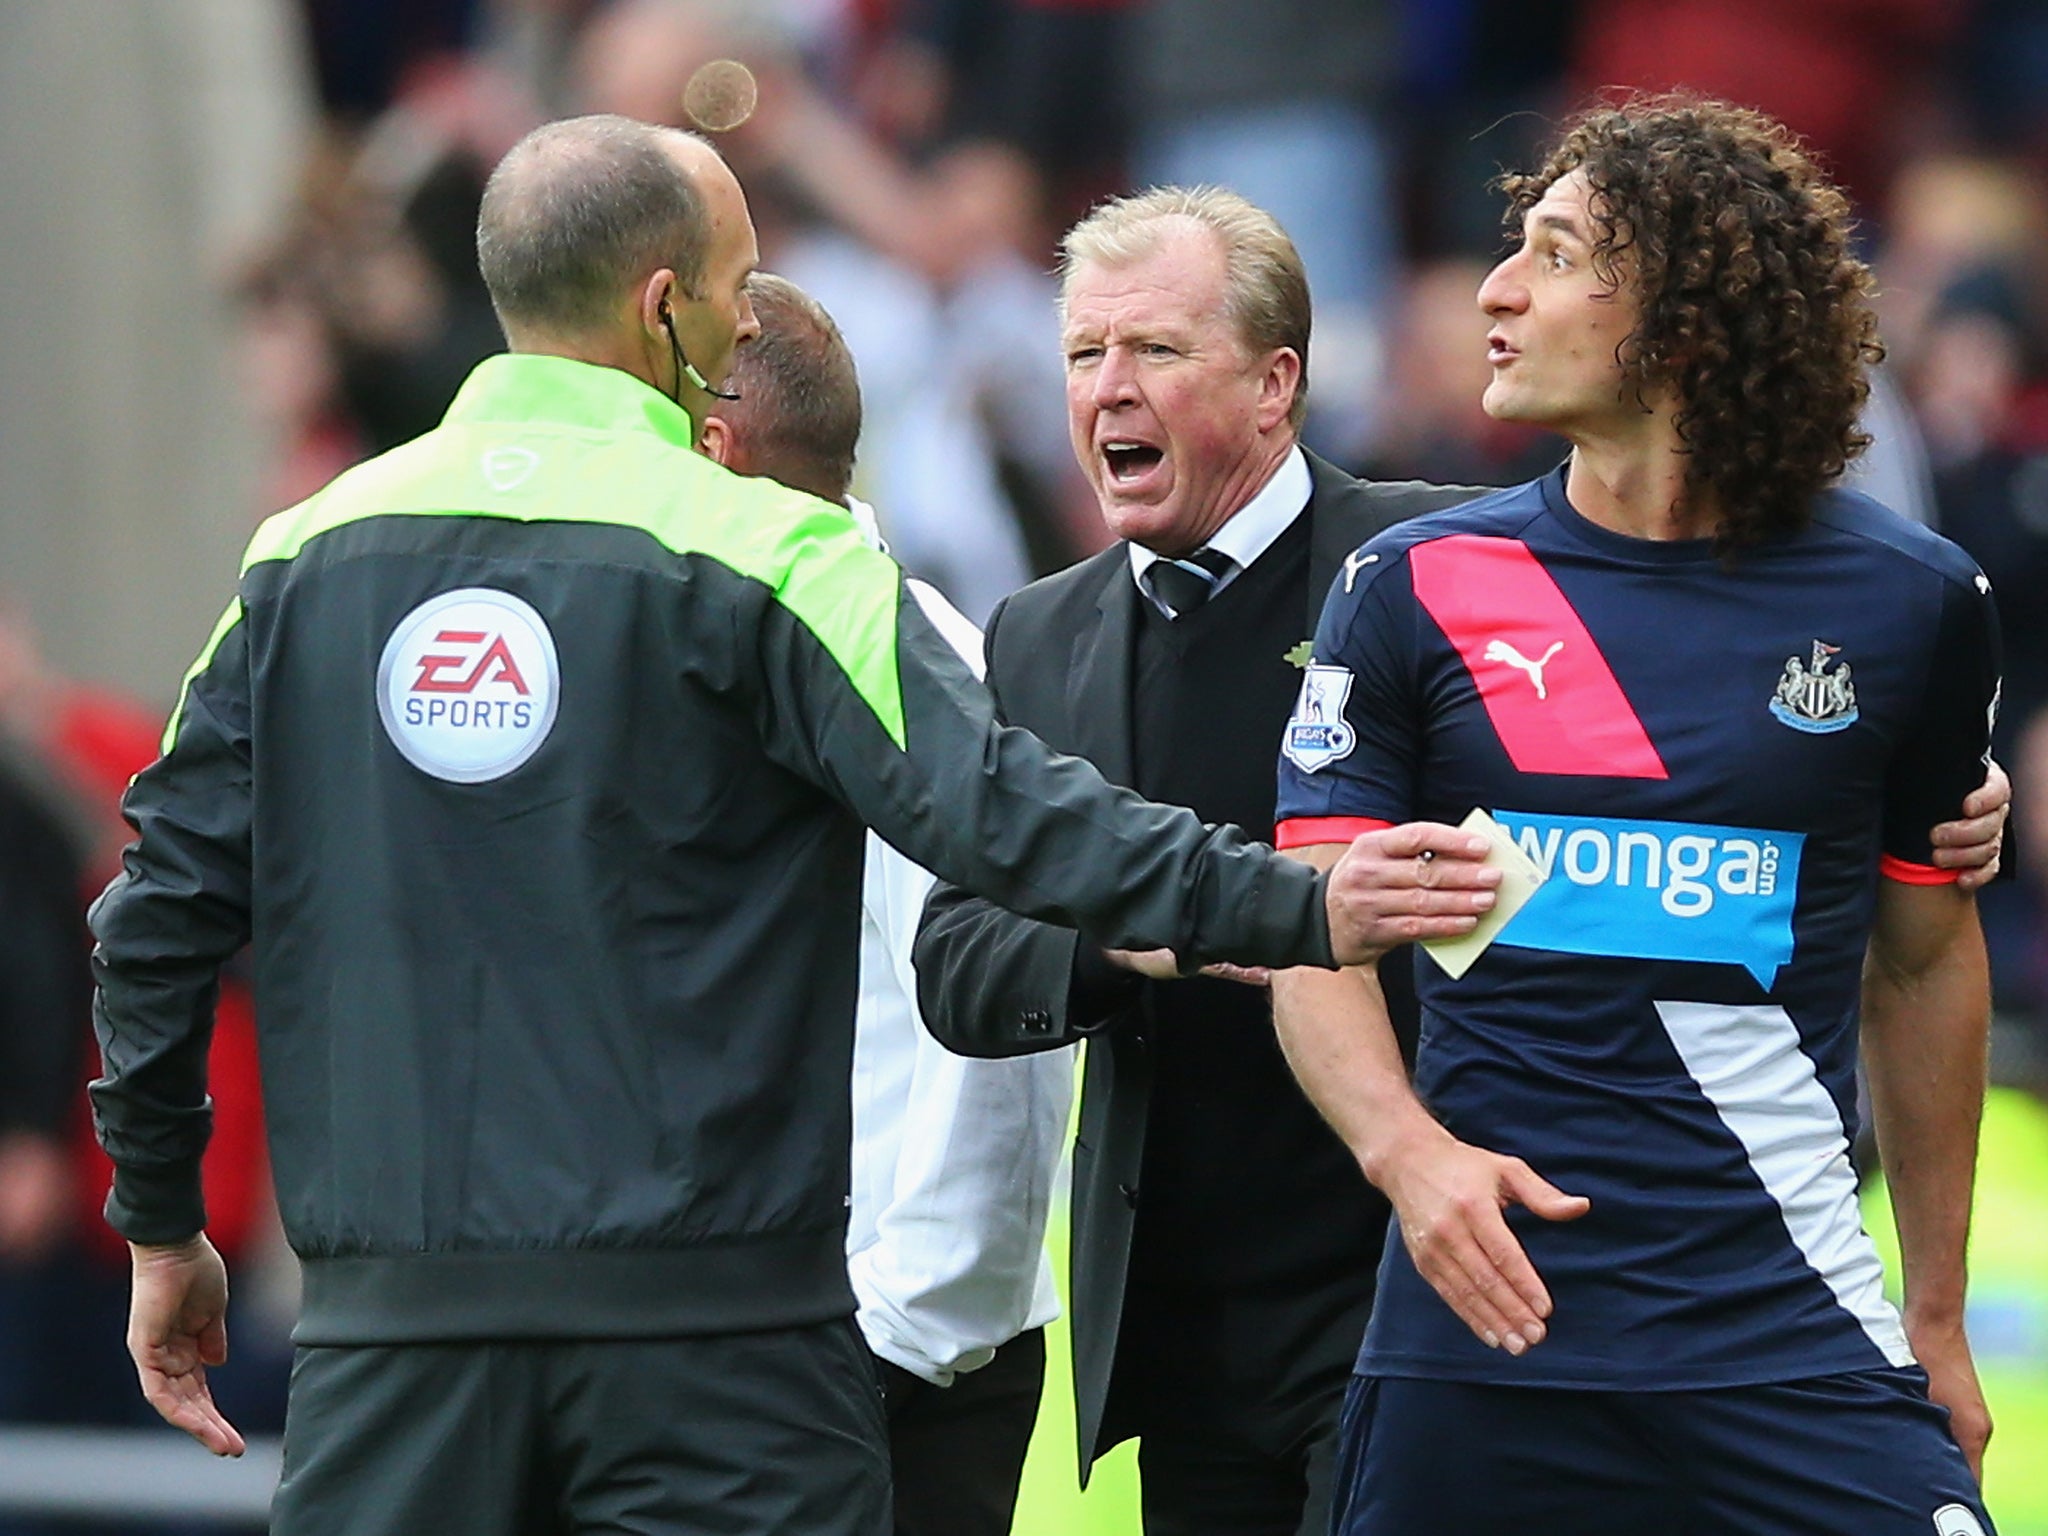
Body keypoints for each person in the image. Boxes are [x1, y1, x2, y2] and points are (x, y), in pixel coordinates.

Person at [86, 115, 1491, 1536]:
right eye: (735, 279)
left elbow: (155, 914)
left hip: (392, 1353)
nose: (748, 312)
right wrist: (1296, 901)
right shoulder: (770, 549)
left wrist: (160, 1217)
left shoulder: (306, 555)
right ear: (664, 306)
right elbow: (1005, 817)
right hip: (720, 1357)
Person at [913, 184, 2013, 1536]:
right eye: (1085, 355)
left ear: (1276, 384)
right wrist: (1174, 923)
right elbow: (959, 962)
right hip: (1193, 1309)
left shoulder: (1433, 567)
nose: (1107, 391)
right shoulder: (1032, 635)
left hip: (1446, 1267)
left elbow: (1696, 721)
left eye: (1154, 353)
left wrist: (1901, 784)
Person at [1271, 96, 2001, 1534]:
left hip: (1788, 1334)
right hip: (1485, 1342)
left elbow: (1925, 961)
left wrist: (1937, 1314)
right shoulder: (1410, 588)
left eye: (1553, 252)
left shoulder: (1911, 602)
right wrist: (1408, 1158)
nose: (1495, 288)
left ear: (1678, 320)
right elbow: (1316, 933)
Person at [699, 271, 1067, 1536]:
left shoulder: (908, 664)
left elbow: (991, 1031)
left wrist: (897, 1343)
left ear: (713, 446)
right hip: (745, 1350)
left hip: (874, 1374)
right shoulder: (727, 655)